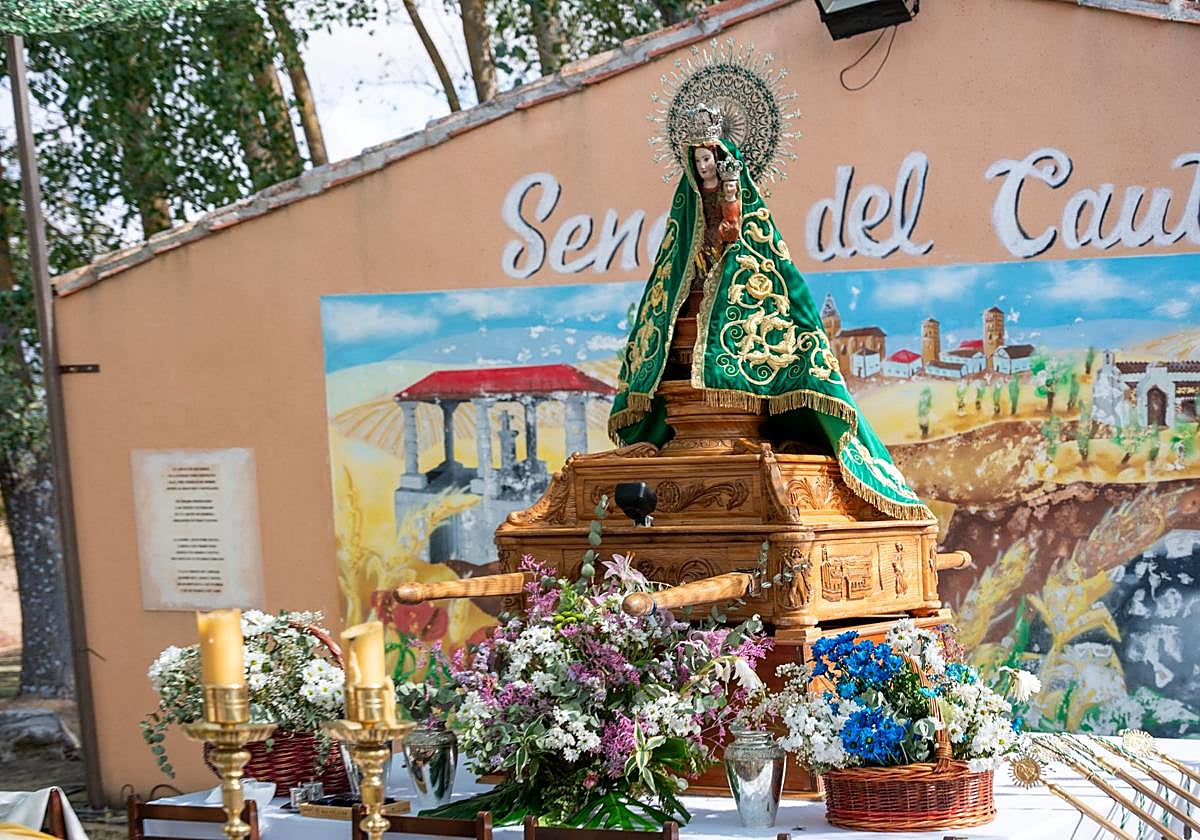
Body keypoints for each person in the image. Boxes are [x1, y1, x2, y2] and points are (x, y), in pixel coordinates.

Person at [609, 104, 931, 521]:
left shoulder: (735, 192)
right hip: (696, 291)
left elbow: (742, 232)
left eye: (710, 159)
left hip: (734, 280)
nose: (704, 166)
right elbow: (674, 259)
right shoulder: (686, 206)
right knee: (684, 309)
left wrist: (729, 200)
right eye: (699, 161)